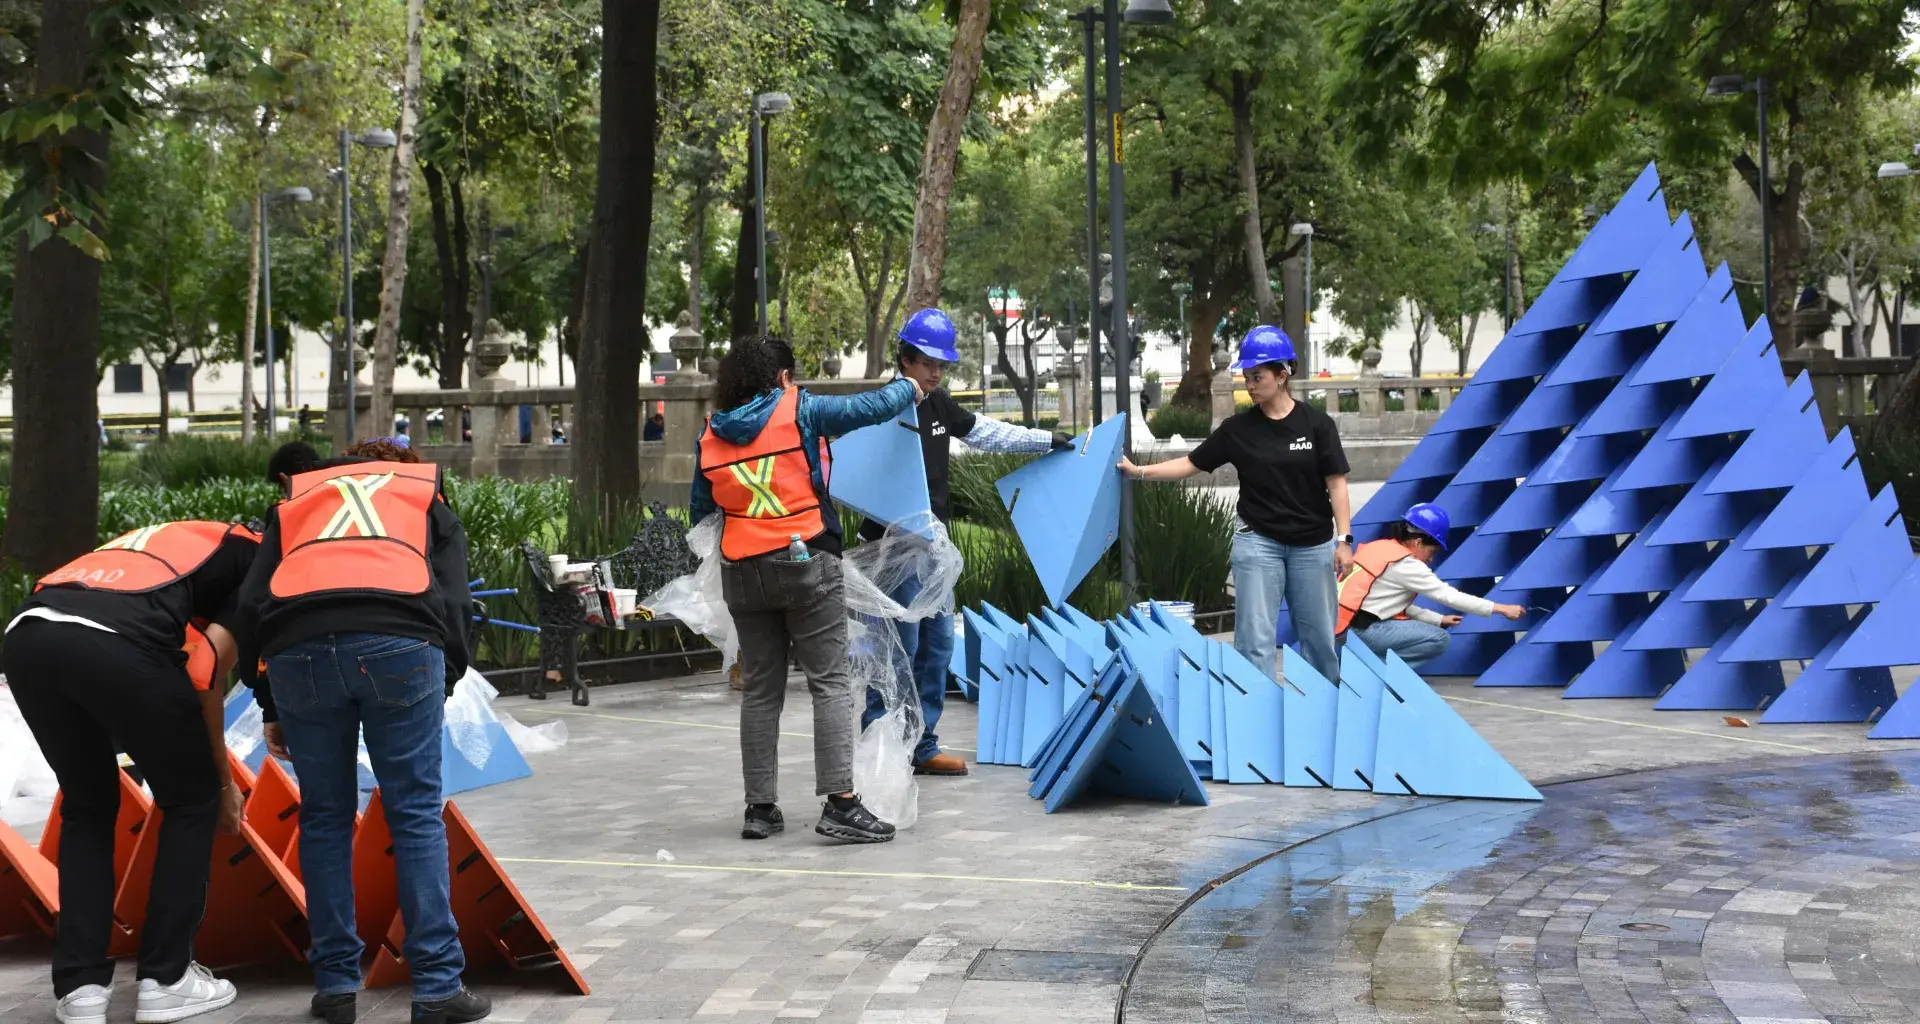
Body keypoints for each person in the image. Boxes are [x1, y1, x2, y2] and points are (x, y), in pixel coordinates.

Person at [232, 438, 484, 1024]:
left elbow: (251, 605)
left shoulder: (300, 502)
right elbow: (454, 600)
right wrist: (443, 675)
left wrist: (269, 698)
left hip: (300, 652)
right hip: (400, 642)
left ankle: (336, 987)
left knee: (323, 816)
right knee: (415, 812)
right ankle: (438, 987)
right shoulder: (423, 496)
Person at [5, 520, 261, 1024]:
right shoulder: (260, 564)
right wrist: (223, 784)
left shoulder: (188, 539)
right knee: (191, 800)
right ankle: (167, 979)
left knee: (88, 805)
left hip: (28, 635)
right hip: (112, 643)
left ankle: (80, 989)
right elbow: (205, 672)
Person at [691, 334, 924, 844]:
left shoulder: (710, 434)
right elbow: (870, 406)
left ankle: (759, 809)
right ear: (780, 379)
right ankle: (840, 803)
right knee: (830, 682)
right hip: (805, 562)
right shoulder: (798, 409)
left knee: (760, 690)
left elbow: (699, 517)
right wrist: (909, 386)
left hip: (741, 573)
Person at [858, 308, 1071, 777]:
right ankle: (881, 743)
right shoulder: (880, 407)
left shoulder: (938, 405)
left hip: (933, 549)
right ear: (904, 359)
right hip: (889, 551)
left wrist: (1045, 441)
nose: (936, 373)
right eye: (928, 363)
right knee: (897, 649)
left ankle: (922, 744)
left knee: (937, 648)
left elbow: (987, 434)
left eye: (942, 365)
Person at [1118, 325, 1352, 684]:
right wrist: (1139, 472)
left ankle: (1324, 716)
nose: (1250, 384)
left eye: (1257, 376)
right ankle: (1256, 718)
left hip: (1313, 545)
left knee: (1319, 640)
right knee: (1255, 643)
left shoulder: (1317, 426)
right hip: (1258, 543)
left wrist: (1345, 540)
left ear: (1282, 373)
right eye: (1247, 377)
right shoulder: (1237, 429)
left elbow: (1336, 483)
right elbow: (1189, 463)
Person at [1335, 504, 1525, 670]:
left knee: (1431, 630)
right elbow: (1449, 596)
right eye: (1431, 551)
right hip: (1359, 630)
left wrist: (1439, 619)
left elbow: (1389, 606)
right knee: (1439, 639)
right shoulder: (1405, 564)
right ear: (1417, 542)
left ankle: (1359, 667)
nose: (1431, 559)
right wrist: (1501, 609)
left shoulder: (1381, 549)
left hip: (1341, 625)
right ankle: (1371, 673)